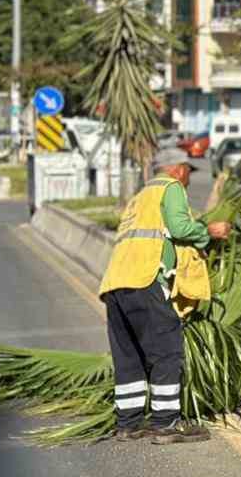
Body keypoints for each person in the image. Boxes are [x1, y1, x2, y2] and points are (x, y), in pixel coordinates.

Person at [98, 150, 231, 442]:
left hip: (115, 284)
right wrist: (208, 232)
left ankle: (128, 423)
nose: (188, 179)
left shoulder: (139, 197)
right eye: (187, 171)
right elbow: (179, 227)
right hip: (145, 279)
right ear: (176, 169)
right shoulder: (169, 188)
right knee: (167, 350)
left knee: (129, 355)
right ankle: (165, 423)